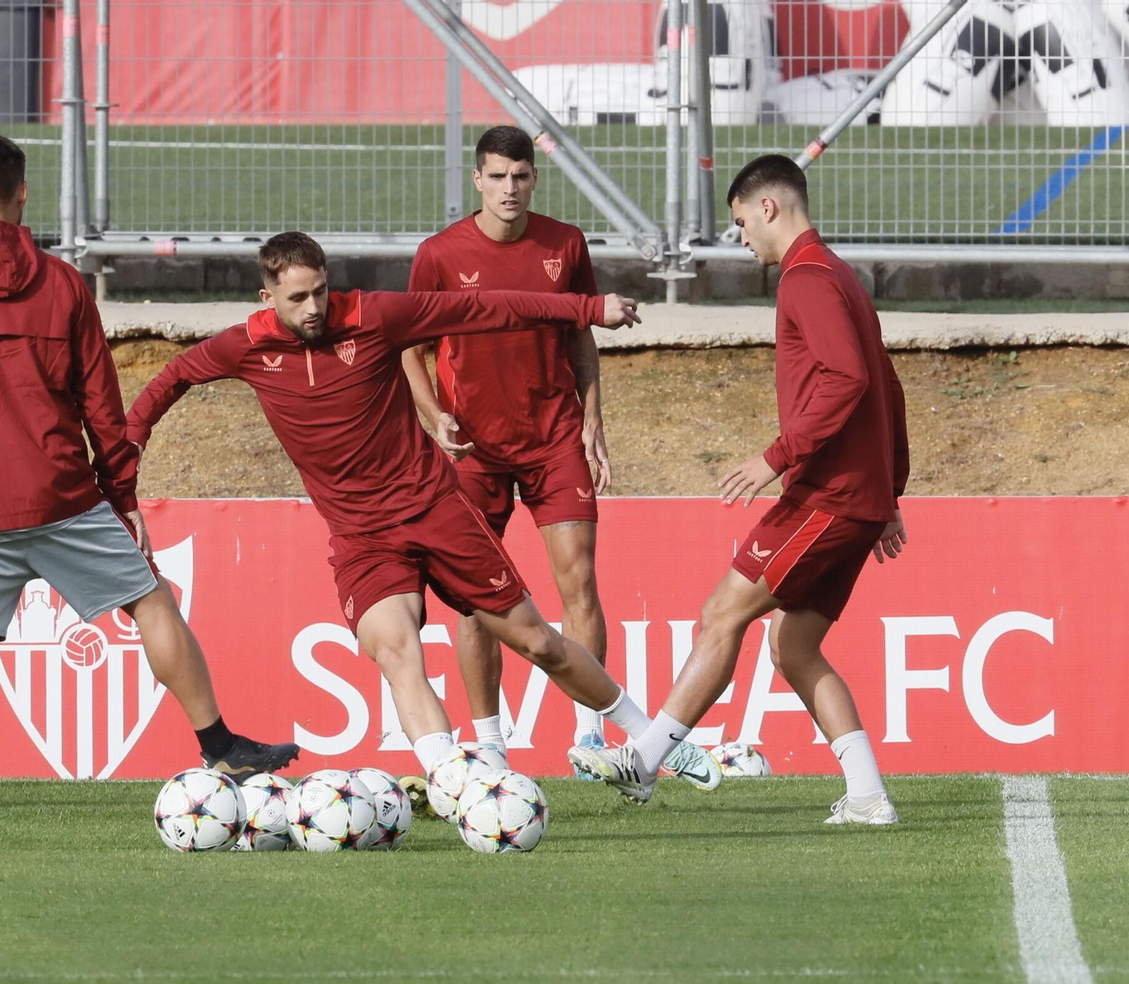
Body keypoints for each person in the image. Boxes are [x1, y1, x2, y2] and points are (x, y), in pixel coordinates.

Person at [128, 232, 716, 788]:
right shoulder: (248, 345)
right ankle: (457, 785)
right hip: (362, 537)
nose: (314, 308)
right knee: (395, 647)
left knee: (539, 643)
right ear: (268, 297)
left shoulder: (375, 316)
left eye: (320, 291)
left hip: (436, 510)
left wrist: (586, 308)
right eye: (298, 298)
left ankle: (654, 740)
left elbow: (489, 307)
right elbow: (172, 378)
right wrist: (130, 444)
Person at [0, 133, 297, 851]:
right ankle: (218, 742)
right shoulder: (62, 284)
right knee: (151, 602)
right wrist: (123, 497)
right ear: (23, 193)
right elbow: (103, 407)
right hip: (59, 494)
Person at [570, 154, 910, 824]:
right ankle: (868, 796)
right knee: (793, 646)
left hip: (828, 494)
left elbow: (850, 380)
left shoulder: (806, 278)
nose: (742, 237)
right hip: (859, 496)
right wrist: (891, 491)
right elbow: (887, 385)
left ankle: (644, 759)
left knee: (721, 613)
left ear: (769, 208)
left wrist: (774, 458)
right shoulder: (837, 273)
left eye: (740, 223)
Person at [401, 125, 719, 789]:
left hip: (553, 438)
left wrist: (593, 418)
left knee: (578, 581)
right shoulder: (439, 255)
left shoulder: (564, 244)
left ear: (533, 179)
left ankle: (590, 740)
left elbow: (580, 337)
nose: (509, 189)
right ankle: (489, 748)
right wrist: (435, 418)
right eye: (497, 177)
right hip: (475, 450)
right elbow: (410, 348)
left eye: (520, 177)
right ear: (478, 180)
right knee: (475, 601)